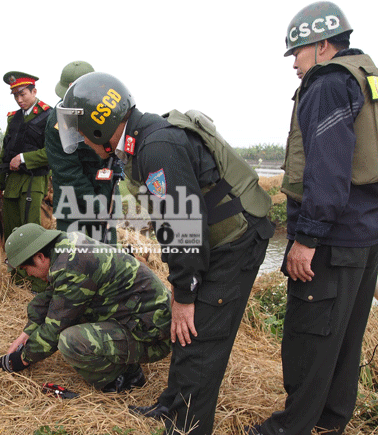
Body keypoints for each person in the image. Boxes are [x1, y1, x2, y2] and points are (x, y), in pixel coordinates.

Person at [56, 72, 274, 434]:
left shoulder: (156, 147)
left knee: (199, 336)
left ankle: (188, 425)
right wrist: (182, 286)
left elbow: (182, 224)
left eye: (82, 131)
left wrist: (185, 293)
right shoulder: (140, 141)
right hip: (207, 240)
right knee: (184, 331)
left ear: (99, 125)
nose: (82, 140)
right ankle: (171, 407)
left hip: (233, 242)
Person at [245, 3, 378, 435]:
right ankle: (329, 424)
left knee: (310, 338)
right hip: (365, 235)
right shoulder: (367, 78)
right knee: (345, 339)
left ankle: (291, 427)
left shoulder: (329, 83)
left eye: (297, 52)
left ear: (321, 45)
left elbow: (327, 169)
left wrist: (307, 238)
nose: (294, 64)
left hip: (333, 240)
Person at [0, 223, 171, 393]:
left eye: (25, 268)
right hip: (142, 317)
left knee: (71, 341)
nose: (28, 274)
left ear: (40, 257)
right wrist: (27, 333)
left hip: (153, 335)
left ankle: (126, 377)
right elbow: (51, 300)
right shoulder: (65, 248)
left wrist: (23, 358)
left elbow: (55, 328)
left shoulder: (71, 266)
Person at [45, 60, 122, 244]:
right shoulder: (56, 123)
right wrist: (97, 206)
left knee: (107, 254)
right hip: (71, 199)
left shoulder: (107, 111)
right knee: (71, 253)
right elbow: (67, 173)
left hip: (104, 191)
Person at [0, 71, 51, 293]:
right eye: (15, 95)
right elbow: (6, 152)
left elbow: (53, 152)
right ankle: (17, 279)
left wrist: (25, 158)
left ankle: (38, 284)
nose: (19, 99)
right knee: (12, 233)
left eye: (23, 94)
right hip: (12, 183)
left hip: (33, 182)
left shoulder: (48, 115)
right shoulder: (13, 118)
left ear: (34, 91)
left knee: (33, 234)